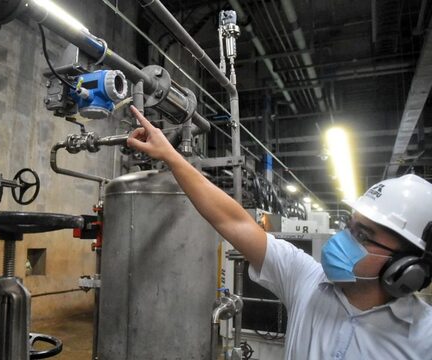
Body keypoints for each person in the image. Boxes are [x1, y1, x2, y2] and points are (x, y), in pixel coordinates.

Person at [126, 105, 432, 359]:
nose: (344, 240)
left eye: (363, 235)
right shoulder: (307, 281)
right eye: (349, 226)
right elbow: (234, 221)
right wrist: (170, 155)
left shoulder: (424, 339)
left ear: (406, 269)